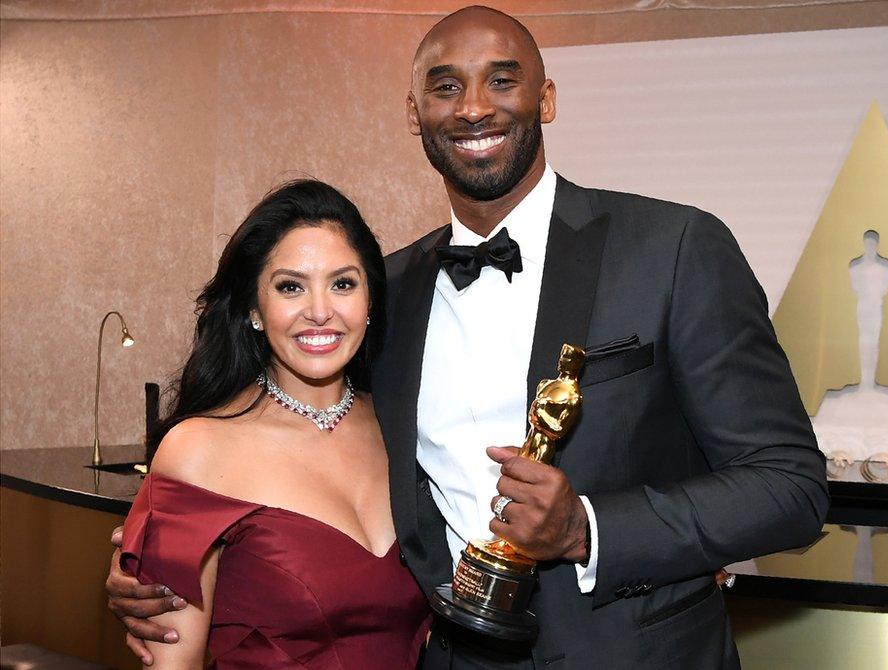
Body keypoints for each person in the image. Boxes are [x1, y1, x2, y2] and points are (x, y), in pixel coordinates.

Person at [108, 7, 829, 668]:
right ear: (414, 115)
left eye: (503, 80)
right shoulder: (380, 296)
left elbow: (790, 486)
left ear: (546, 99)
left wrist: (589, 529)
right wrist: (165, 560)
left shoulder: (674, 249)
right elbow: (297, 463)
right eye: (445, 87)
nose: (475, 106)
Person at [109, 179, 430, 668]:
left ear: (370, 302)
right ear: (255, 310)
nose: (320, 311)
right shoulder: (197, 449)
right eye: (291, 287)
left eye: (343, 283)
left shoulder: (405, 426)